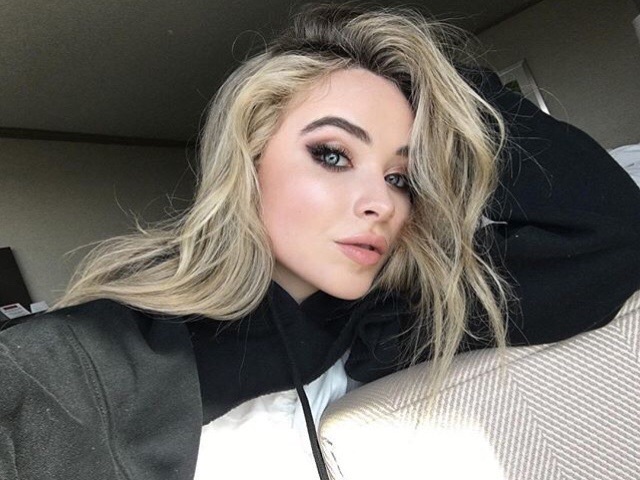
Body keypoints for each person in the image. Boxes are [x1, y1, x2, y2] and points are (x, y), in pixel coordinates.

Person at [1, 4, 639, 480]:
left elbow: (612, 236)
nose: (381, 201)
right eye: (332, 154)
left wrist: (445, 87)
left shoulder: (389, 324)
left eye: (401, 177)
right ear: (248, 162)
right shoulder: (81, 361)